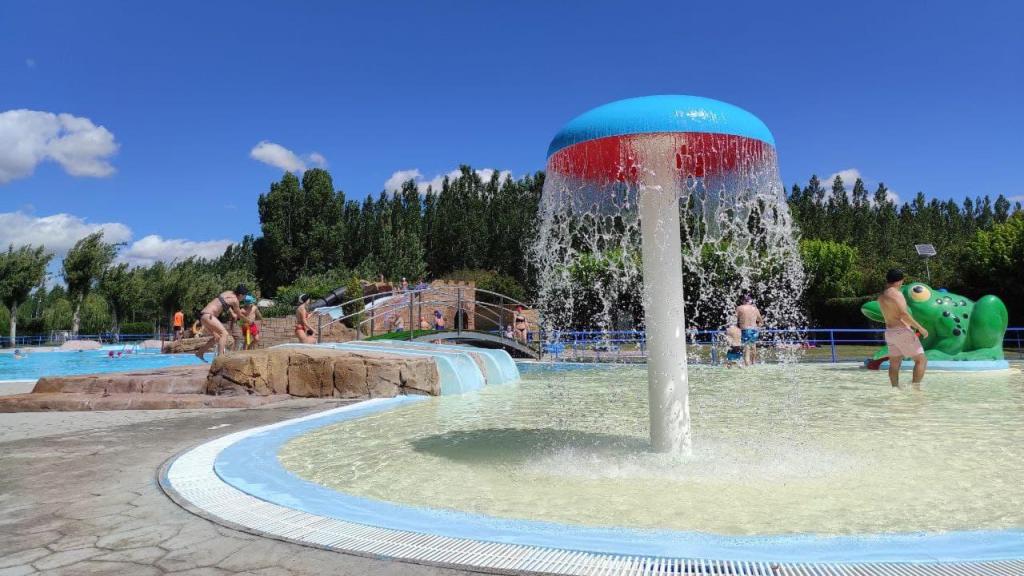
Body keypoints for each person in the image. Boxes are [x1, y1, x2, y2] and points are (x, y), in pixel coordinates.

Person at [878, 269, 929, 388]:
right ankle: (915, 388)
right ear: (899, 281)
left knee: (894, 363)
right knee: (921, 360)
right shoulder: (896, 294)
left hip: (890, 332)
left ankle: (895, 389)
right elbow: (903, 314)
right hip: (902, 330)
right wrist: (920, 328)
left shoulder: (881, 297)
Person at [195, 285, 248, 361]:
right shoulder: (235, 300)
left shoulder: (228, 292)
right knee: (224, 334)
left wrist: (232, 313)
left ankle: (200, 353)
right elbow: (239, 314)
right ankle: (220, 357)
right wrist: (248, 321)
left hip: (203, 316)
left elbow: (224, 302)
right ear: (240, 295)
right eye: (244, 296)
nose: (244, 298)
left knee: (217, 337)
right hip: (209, 316)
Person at [736, 294, 763, 366]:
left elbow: (734, 319)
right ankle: (753, 363)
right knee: (753, 346)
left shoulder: (739, 308)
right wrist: (757, 327)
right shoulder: (755, 309)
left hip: (745, 330)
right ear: (750, 301)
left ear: (742, 301)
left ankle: (747, 366)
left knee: (746, 348)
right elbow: (761, 322)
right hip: (754, 330)